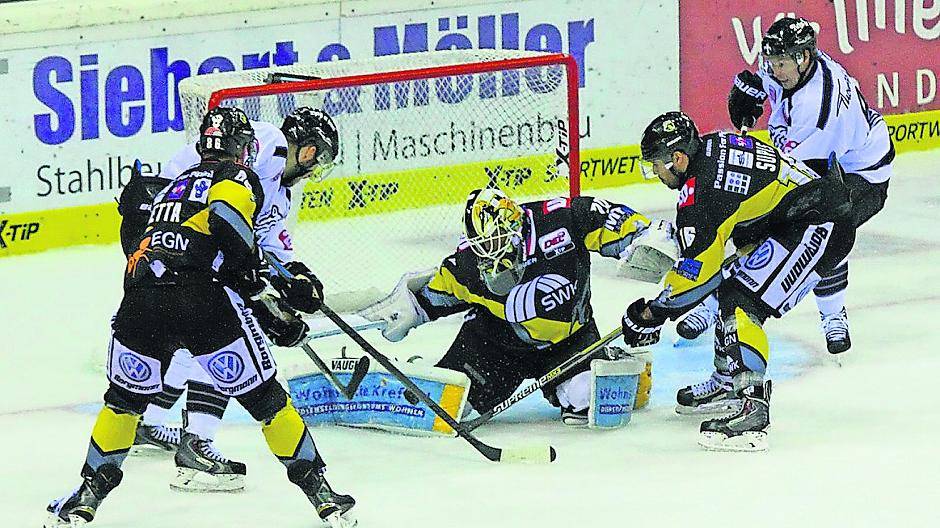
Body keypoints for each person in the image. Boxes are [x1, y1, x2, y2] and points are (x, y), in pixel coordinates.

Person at [46, 107, 355, 528]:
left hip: (141, 293)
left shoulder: (181, 185)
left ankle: (83, 501)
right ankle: (323, 497)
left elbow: (253, 247)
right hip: (203, 293)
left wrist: (295, 281)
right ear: (246, 148)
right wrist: (260, 294)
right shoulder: (246, 166)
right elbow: (228, 224)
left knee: (122, 402)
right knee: (265, 399)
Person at [125, 107, 340, 492]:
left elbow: (269, 242)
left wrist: (298, 277)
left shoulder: (283, 195)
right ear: (307, 150)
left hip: (198, 259)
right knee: (220, 341)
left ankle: (151, 418)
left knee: (186, 342)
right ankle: (197, 445)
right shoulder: (267, 143)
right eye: (317, 156)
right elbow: (206, 170)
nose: (314, 166)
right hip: (182, 248)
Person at [620, 111, 855, 451]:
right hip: (799, 215)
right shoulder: (712, 145)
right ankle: (728, 381)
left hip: (819, 224)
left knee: (742, 304)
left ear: (678, 159)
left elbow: (698, 274)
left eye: (655, 164)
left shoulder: (702, 195)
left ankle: (753, 410)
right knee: (730, 289)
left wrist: (652, 313)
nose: (654, 173)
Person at [677, 16, 892, 355]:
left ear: (803, 58)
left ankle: (832, 315)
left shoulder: (818, 111)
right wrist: (753, 89)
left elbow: (798, 179)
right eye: (771, 63)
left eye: (780, 64)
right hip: (826, 161)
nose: (774, 70)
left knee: (821, 227)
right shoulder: (796, 68)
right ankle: (712, 302)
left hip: (862, 175)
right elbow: (769, 83)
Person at [360, 187, 662, 425]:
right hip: (497, 346)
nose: (490, 254)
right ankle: (424, 372)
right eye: (483, 246)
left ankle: (612, 361)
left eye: (496, 242)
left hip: (569, 342)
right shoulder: (467, 263)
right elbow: (432, 296)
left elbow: (618, 222)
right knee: (445, 408)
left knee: (586, 398)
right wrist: (404, 310)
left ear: (515, 226)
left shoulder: (561, 219)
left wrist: (645, 241)